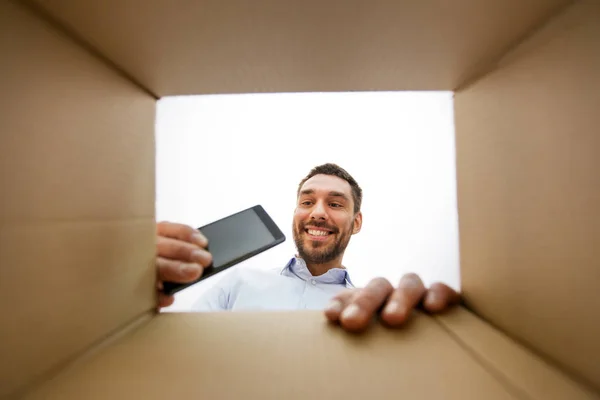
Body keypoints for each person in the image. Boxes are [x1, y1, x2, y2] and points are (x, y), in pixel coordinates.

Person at [155, 163, 460, 332]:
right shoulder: (238, 284)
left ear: (356, 223)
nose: (317, 212)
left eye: (336, 203)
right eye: (307, 202)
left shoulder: (368, 310)